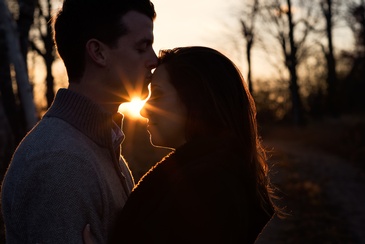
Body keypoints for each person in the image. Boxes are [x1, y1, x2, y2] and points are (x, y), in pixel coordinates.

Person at [1, 0, 157, 243]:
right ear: (98, 52)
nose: (154, 59)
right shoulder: (59, 162)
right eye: (142, 47)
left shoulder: (99, 144)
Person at [95, 46, 278, 243]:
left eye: (156, 95)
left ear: (196, 100)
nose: (143, 110)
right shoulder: (206, 173)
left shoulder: (209, 186)